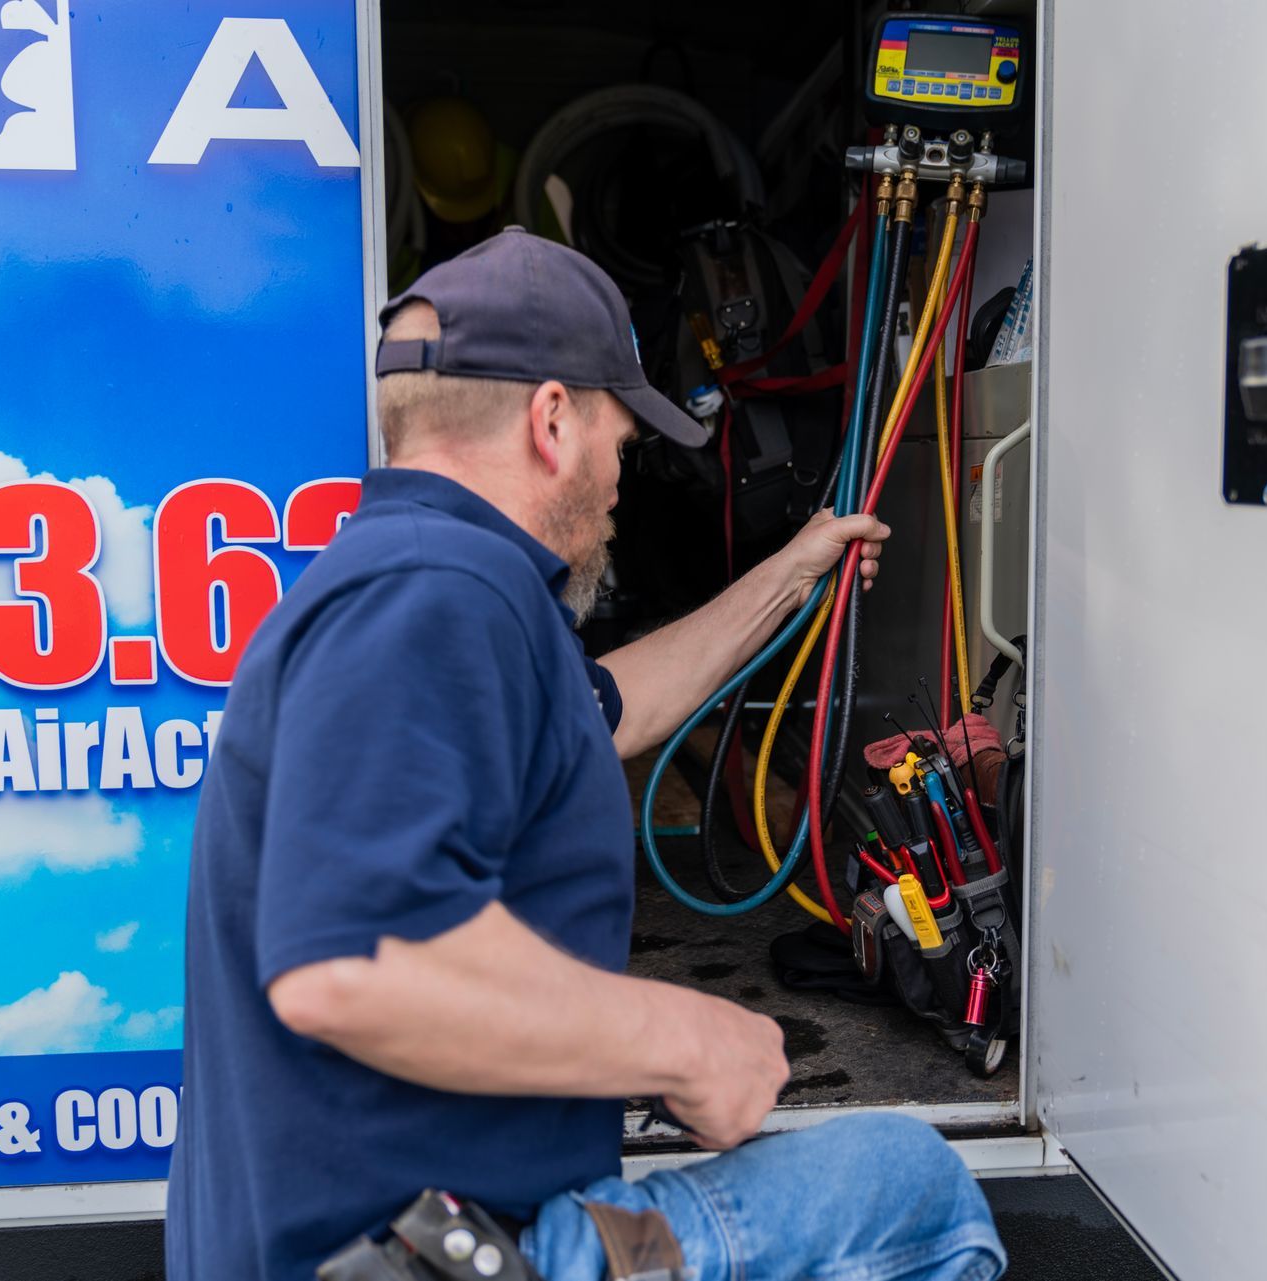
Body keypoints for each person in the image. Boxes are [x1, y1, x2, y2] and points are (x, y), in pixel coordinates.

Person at [165, 227, 1007, 1281]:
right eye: (621, 439)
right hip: (440, 1254)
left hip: (433, 1231)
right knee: (912, 1195)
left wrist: (796, 573)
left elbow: (610, 710)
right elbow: (349, 966)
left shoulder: (432, 583)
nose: (623, 478)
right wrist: (681, 1038)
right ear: (552, 420)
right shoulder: (434, 597)